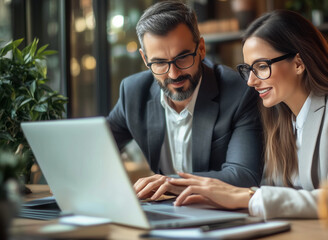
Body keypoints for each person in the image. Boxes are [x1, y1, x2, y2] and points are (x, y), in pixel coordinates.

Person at [169, 10, 328, 232]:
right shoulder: (280, 120)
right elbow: (278, 193)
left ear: (298, 63)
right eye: (248, 69)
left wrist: (244, 196)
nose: (250, 81)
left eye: (261, 66)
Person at [107, 1, 263, 200]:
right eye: (160, 62)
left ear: (202, 48)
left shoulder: (238, 93)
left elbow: (244, 175)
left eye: (182, 58)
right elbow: (97, 149)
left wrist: (171, 182)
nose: (174, 74)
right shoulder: (133, 92)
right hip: (164, 212)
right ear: (145, 59)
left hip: (218, 215)